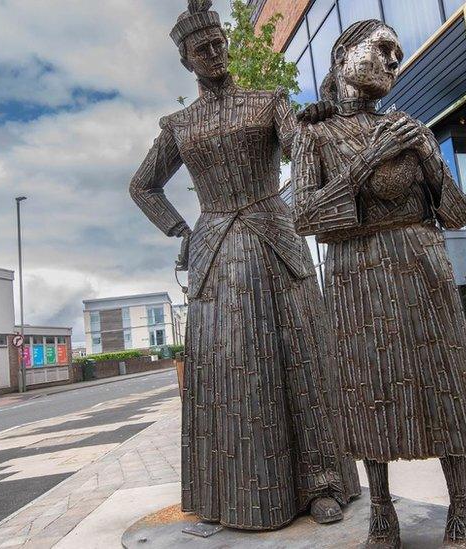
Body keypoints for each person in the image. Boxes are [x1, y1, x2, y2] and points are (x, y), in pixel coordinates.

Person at [128, 0, 358, 531]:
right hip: (216, 252)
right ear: (185, 60)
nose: (213, 53)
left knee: (303, 356)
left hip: (275, 238)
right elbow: (142, 185)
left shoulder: (267, 100)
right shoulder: (180, 125)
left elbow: (303, 144)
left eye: (217, 42)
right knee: (232, 370)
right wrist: (181, 231)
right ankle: (233, 491)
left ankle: (323, 481)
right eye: (200, 48)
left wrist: (320, 118)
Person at [292, 19, 466, 549]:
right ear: (343, 55)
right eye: (382, 49)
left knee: (443, 378)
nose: (392, 62)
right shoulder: (314, 135)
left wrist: (427, 155)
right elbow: (306, 216)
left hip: (421, 261)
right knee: (366, 386)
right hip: (355, 268)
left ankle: (462, 506)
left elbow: (456, 214)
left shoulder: (413, 127)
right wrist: (367, 164)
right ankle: (381, 509)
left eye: (398, 56)